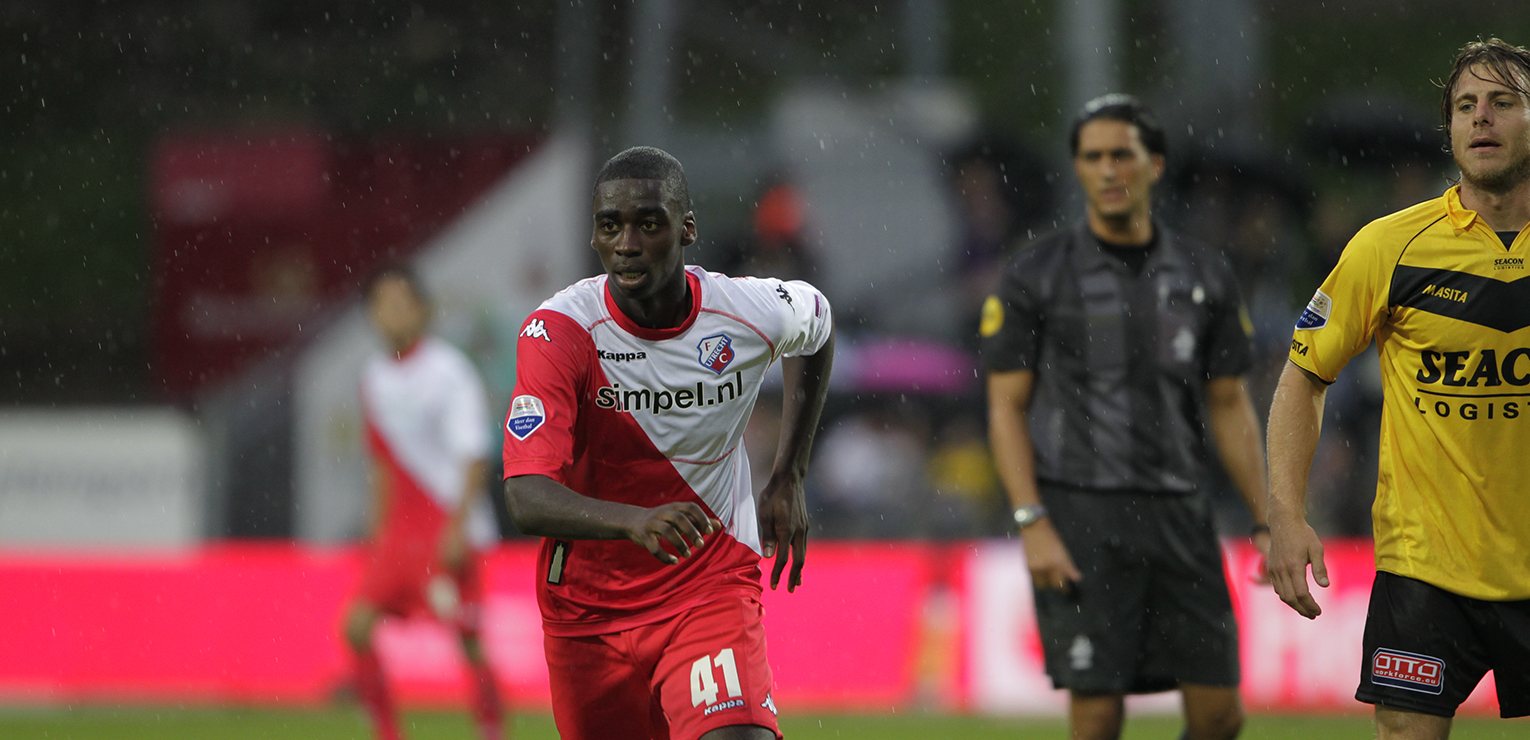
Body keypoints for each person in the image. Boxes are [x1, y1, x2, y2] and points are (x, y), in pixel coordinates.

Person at [500, 146, 834, 740]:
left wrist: (790, 474)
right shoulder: (560, 332)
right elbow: (525, 496)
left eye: (649, 224)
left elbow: (819, 326)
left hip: (708, 583)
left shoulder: (747, 311)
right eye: (610, 226)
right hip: (588, 609)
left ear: (687, 229)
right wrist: (634, 521)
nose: (627, 244)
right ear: (594, 236)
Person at [981, 94, 1271, 740]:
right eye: (1093, 158)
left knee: (1221, 716)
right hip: (1082, 516)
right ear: (1078, 169)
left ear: (1155, 164)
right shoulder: (1035, 274)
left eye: (1122, 154)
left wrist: (1265, 516)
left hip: (1182, 512)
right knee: (1096, 717)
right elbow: (1005, 407)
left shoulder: (1206, 272)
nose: (1108, 170)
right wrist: (1031, 521)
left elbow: (1229, 403)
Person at [1267, 38, 1530, 739]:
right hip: (1426, 568)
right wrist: (1286, 514)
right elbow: (1303, 376)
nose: (1481, 118)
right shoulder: (1388, 246)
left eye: (1503, 102)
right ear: (1449, 130)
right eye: (1465, 106)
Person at [345, 265, 507, 740]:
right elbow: (381, 461)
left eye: (402, 303)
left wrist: (458, 528)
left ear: (423, 310)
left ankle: (491, 729)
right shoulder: (373, 377)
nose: (392, 314)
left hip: (448, 523)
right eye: (382, 304)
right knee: (356, 626)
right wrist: (376, 533)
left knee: (468, 639)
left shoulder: (449, 371)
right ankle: (386, 731)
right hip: (401, 530)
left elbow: (474, 454)